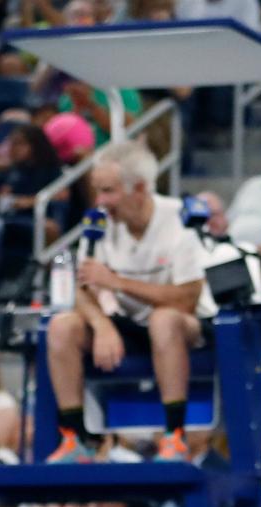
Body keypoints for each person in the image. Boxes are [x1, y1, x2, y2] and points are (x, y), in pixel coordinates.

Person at [45, 141, 210, 463]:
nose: (100, 202)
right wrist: (101, 324)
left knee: (164, 320)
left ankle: (174, 436)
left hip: (184, 327)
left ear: (140, 189)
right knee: (61, 327)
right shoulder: (98, 224)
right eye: (97, 191)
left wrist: (117, 282)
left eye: (108, 192)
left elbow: (187, 298)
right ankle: (76, 439)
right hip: (127, 324)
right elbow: (81, 289)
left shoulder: (179, 219)